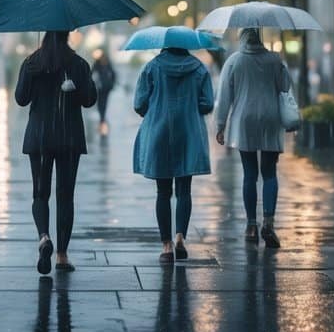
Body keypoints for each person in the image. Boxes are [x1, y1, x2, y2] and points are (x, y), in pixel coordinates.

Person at [15, 31, 97, 274]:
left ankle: (43, 238)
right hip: (68, 137)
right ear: (67, 35)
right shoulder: (78, 64)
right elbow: (90, 99)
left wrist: (31, 77)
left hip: (39, 138)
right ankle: (61, 255)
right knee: (65, 195)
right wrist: (75, 87)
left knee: (40, 193)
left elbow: (21, 99)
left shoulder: (31, 63)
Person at [132, 45, 214, 263]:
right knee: (184, 190)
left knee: (163, 191)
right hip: (189, 133)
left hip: (159, 132)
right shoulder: (199, 69)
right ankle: (180, 237)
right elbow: (207, 104)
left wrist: (154, 109)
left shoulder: (151, 67)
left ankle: (166, 246)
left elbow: (139, 103)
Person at [214, 27, 293, 247]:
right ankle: (268, 222)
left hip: (244, 120)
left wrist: (220, 125)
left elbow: (224, 96)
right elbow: (286, 87)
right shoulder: (274, 60)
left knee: (249, 174)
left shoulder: (234, 61)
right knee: (269, 173)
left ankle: (250, 226)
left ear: (242, 38)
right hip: (270, 119)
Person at [91, 50, 117, 135]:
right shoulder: (105, 63)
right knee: (103, 103)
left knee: (101, 103)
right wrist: (112, 84)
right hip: (105, 87)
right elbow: (113, 74)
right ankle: (102, 118)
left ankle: (102, 119)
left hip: (102, 87)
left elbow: (91, 73)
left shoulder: (99, 63)